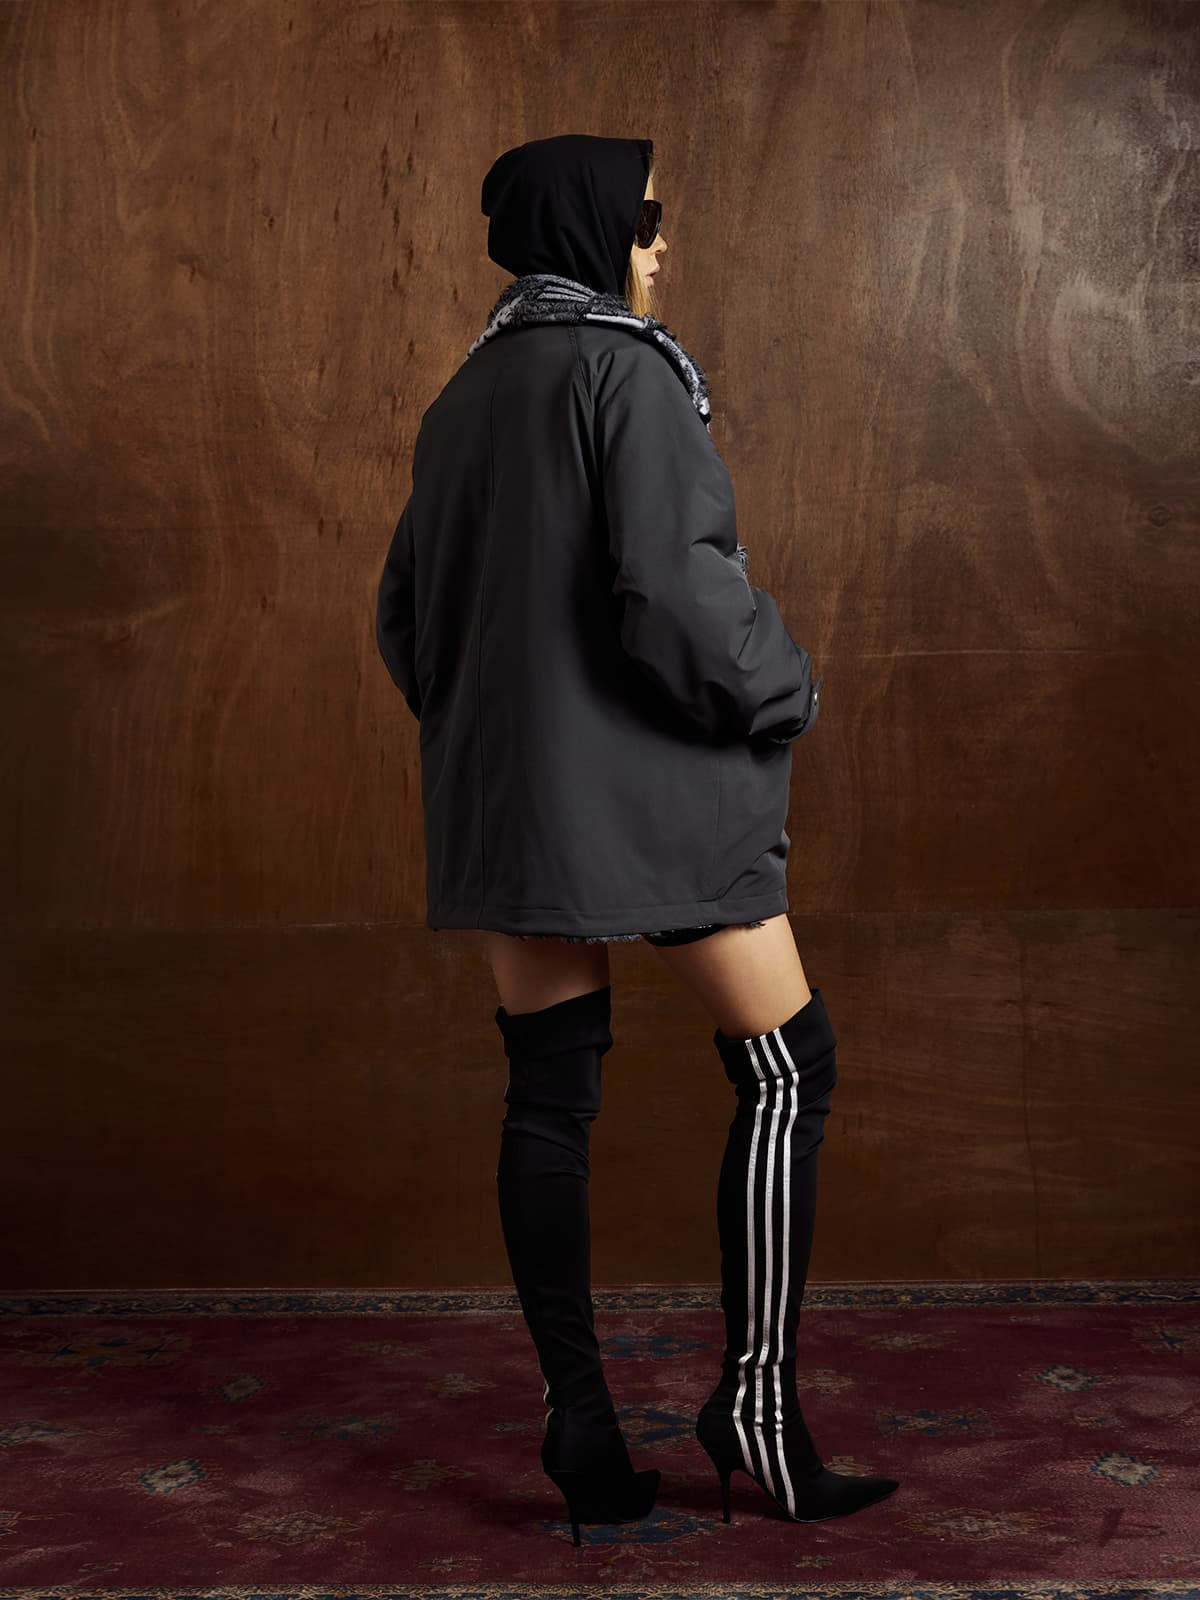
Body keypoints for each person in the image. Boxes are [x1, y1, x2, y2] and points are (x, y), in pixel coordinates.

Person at [375, 133, 899, 1544]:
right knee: (789, 1068)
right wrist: (789, 689)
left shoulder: (462, 396)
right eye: (646, 217)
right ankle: (758, 1410)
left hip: (510, 810)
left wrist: (499, 741)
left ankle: (582, 1425)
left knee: (550, 1094)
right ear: (595, 226)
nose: (662, 245)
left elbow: (405, 622)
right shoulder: (628, 371)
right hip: (658, 799)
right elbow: (678, 595)